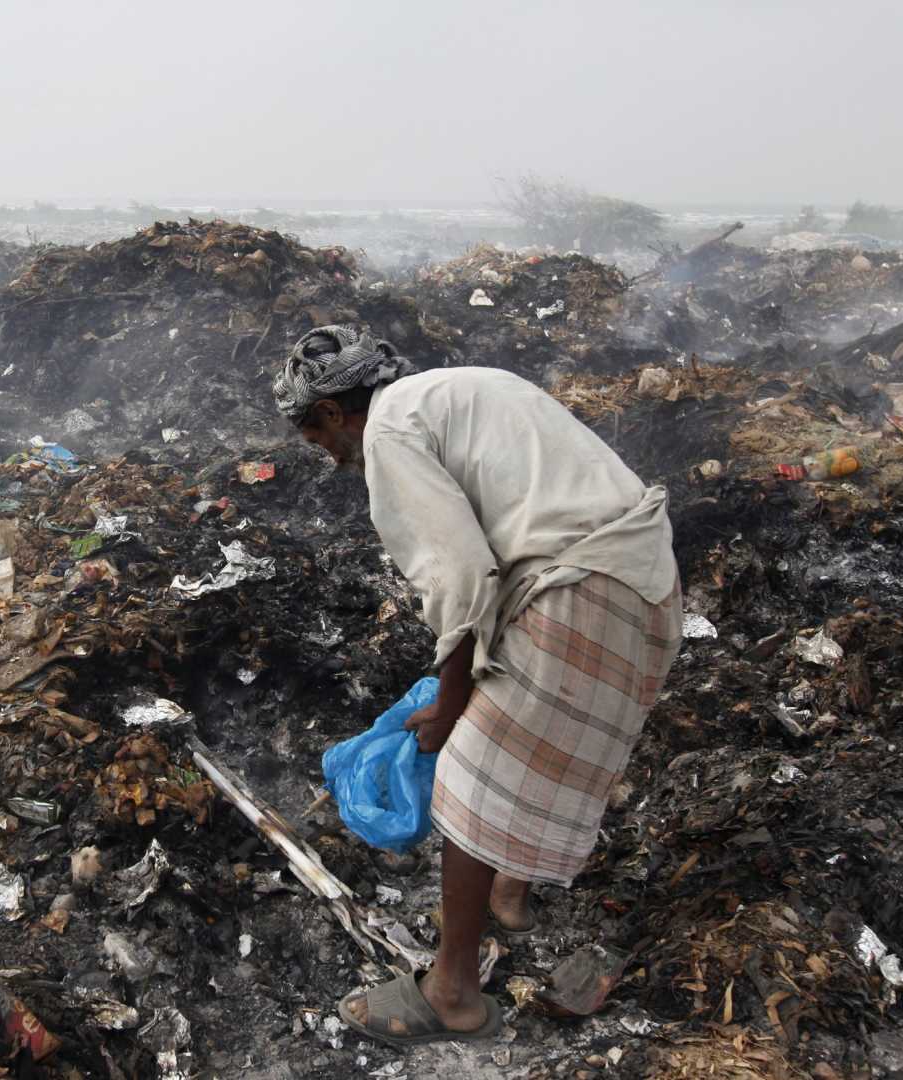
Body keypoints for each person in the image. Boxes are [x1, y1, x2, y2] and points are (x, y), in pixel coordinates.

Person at [273, 326, 683, 1046]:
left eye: (316, 434)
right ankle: (511, 896)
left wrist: (449, 706)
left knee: (471, 773)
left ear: (336, 411)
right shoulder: (469, 384)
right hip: (647, 584)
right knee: (531, 747)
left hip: (579, 586)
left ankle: (453, 992)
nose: (326, 455)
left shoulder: (393, 427)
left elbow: (463, 576)